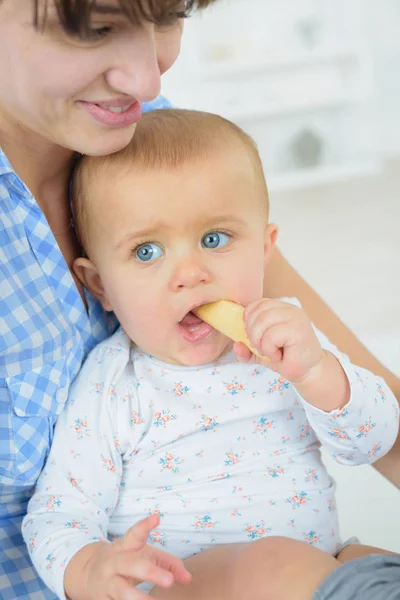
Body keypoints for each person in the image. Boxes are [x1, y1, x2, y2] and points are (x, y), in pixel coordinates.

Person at [0, 2, 399, 600]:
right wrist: (89, 572)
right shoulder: (113, 385)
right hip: (178, 585)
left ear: (266, 246)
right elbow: (61, 512)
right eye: (97, 28)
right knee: (276, 569)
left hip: (324, 565)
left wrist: (322, 374)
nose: (150, 79)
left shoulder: (279, 344)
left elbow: (373, 434)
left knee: (364, 560)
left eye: (173, 14)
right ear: (98, 283)